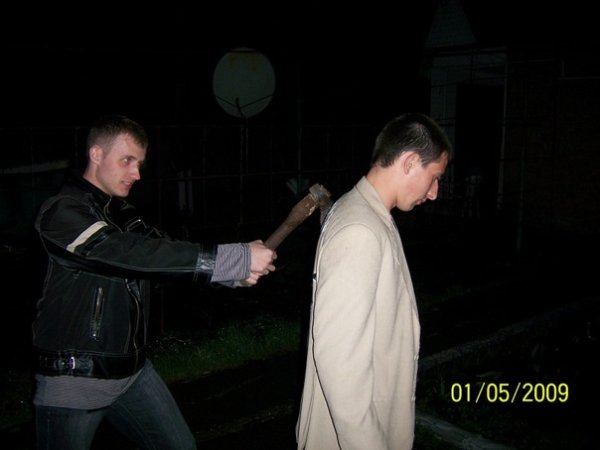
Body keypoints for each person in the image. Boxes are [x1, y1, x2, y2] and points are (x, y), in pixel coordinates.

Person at [31, 114, 277, 450]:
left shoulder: (120, 213)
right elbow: (127, 252)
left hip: (132, 373)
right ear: (97, 154)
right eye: (127, 160)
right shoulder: (60, 213)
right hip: (75, 380)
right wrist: (232, 258)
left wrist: (233, 274)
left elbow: (163, 254)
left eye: (140, 164)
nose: (137, 174)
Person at [295, 113, 452, 450]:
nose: (434, 193)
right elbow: (341, 367)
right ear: (410, 162)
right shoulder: (360, 230)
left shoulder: (368, 215)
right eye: (434, 178)